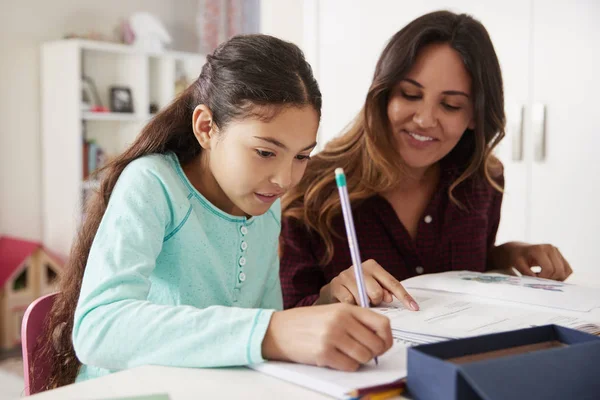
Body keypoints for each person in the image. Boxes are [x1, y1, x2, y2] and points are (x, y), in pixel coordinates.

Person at [40, 34, 394, 390]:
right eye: (265, 152)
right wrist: (271, 331)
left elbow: (262, 328)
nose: (285, 179)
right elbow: (99, 328)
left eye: (301, 156)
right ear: (206, 128)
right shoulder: (154, 185)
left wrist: (324, 302)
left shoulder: (265, 207)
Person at [280, 10, 572, 310]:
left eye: (450, 105)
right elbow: (282, 317)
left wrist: (506, 255)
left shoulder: (483, 181)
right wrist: (330, 296)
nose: (424, 119)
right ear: (384, 96)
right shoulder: (309, 187)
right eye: (409, 95)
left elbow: (467, 271)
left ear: (474, 116)